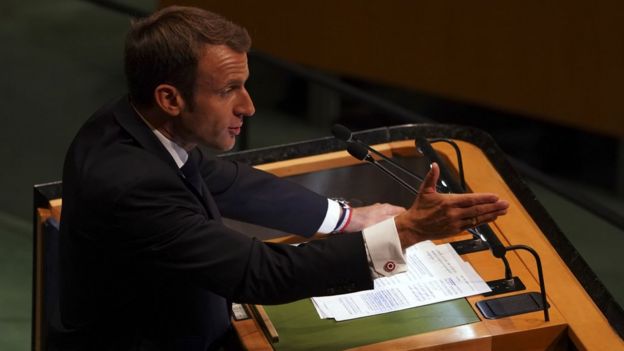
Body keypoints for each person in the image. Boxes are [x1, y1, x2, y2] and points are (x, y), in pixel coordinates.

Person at [55, 5, 509, 351]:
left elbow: (219, 181)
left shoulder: (127, 122)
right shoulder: (131, 184)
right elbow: (262, 275)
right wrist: (405, 231)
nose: (248, 107)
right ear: (170, 98)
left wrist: (348, 218)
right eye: (228, 89)